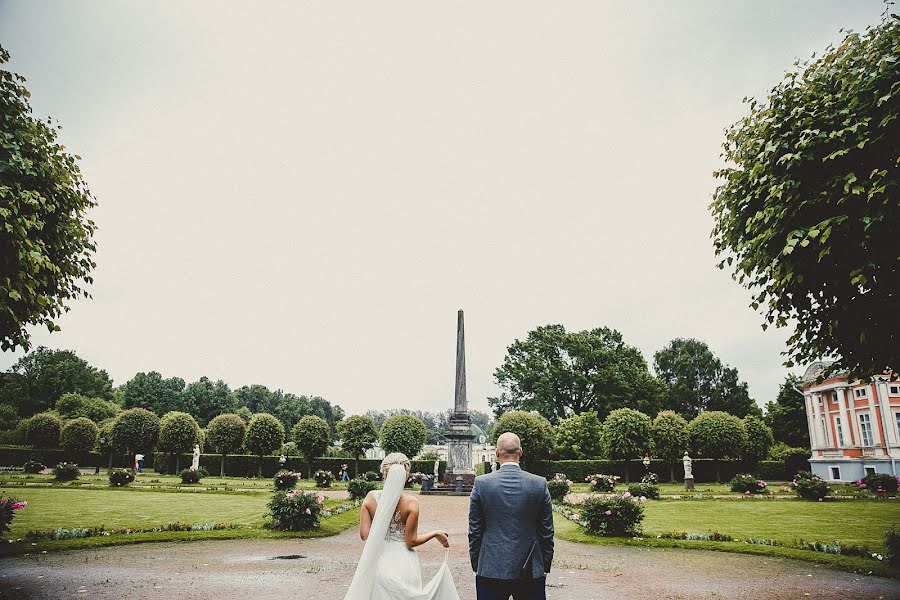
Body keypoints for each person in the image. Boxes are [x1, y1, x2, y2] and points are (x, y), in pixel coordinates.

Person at [343, 453, 459, 600]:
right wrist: (434, 534)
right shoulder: (411, 503)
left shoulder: (371, 498)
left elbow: (364, 535)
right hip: (403, 564)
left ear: (384, 473)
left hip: (378, 561)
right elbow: (410, 542)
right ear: (406, 475)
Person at [468, 432, 554, 600]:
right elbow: (547, 531)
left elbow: (475, 530)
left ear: (497, 453)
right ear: (520, 452)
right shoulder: (539, 483)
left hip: (491, 566)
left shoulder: (482, 484)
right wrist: (545, 564)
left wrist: (477, 563)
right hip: (530, 567)